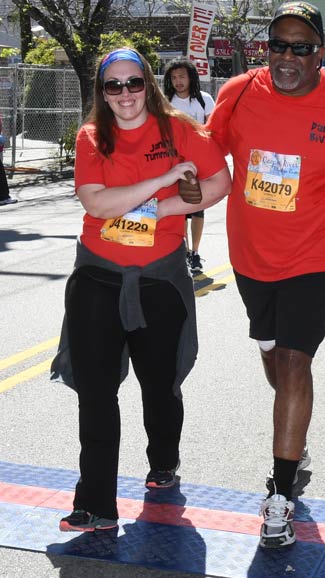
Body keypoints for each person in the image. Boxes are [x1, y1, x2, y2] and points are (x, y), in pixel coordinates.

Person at [205, 1, 325, 548]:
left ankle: (279, 494)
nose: (287, 58)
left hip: (318, 255)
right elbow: (204, 150)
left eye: (301, 48)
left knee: (294, 359)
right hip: (251, 255)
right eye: (278, 46)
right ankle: (296, 434)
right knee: (270, 352)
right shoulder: (237, 92)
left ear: (321, 54)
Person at [56, 47, 231, 532]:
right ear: (102, 92)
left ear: (148, 85)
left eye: (134, 83)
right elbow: (96, 201)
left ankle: (163, 461)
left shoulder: (179, 129)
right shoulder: (91, 137)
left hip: (159, 278)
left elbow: (220, 183)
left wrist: (162, 209)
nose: (126, 94)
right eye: (114, 86)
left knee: (159, 385)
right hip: (97, 276)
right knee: (94, 391)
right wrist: (164, 180)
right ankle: (95, 503)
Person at [163, 58, 217, 274]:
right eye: (174, 77)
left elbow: (211, 130)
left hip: (198, 164)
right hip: (173, 164)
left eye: (182, 76)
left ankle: (195, 252)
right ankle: (183, 251)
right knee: (179, 210)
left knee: (197, 209)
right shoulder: (166, 101)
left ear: (191, 77)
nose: (178, 81)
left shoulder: (204, 100)